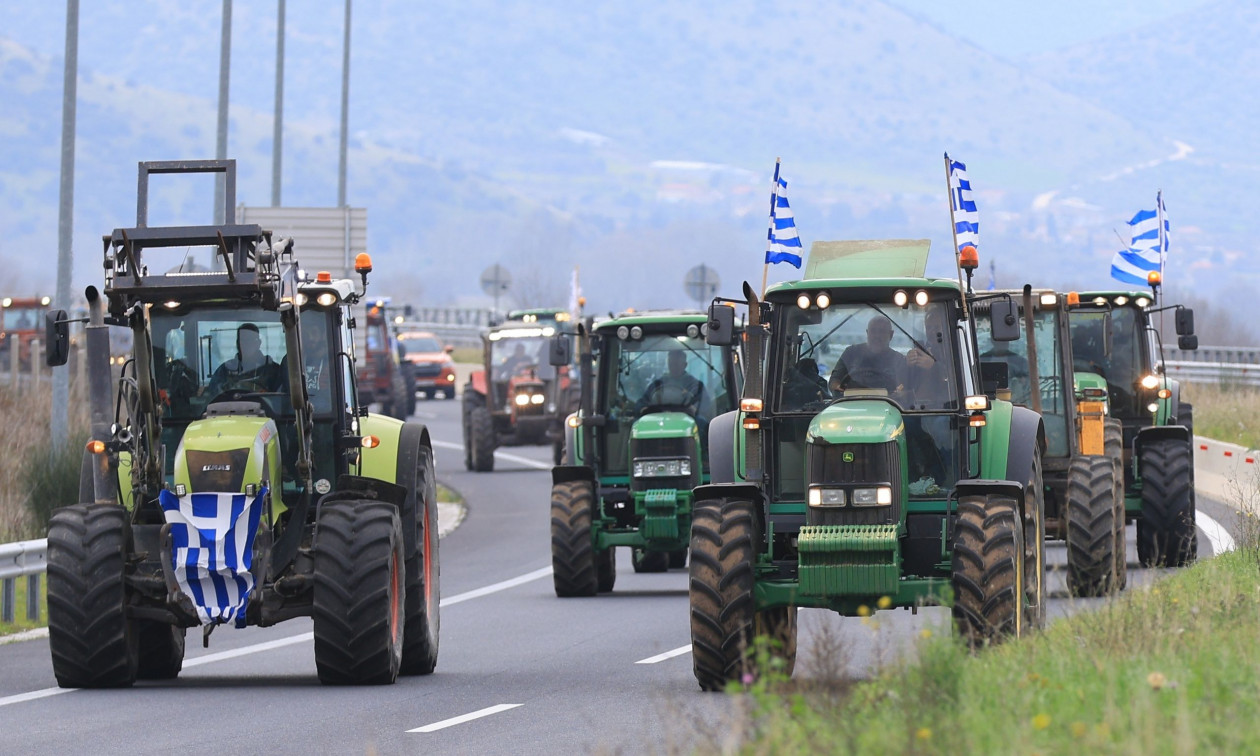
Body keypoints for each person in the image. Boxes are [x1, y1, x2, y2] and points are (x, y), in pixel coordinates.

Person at [829, 316, 906, 394]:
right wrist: (838, 387)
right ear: (867, 333)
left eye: (882, 331)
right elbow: (834, 380)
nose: (877, 336)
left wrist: (900, 392)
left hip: (888, 403)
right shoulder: (851, 353)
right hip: (852, 402)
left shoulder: (899, 360)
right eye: (873, 331)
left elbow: (905, 387)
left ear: (891, 334)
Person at [207, 323, 284, 397]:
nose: (246, 344)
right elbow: (212, 397)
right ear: (237, 343)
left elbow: (281, 401)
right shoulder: (224, 371)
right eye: (243, 340)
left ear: (258, 343)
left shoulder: (274, 371)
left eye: (250, 340)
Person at [906, 308, 953, 407]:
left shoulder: (954, 350)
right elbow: (907, 383)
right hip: (915, 406)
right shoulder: (920, 349)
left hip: (945, 406)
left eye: (936, 328)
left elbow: (956, 379)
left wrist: (934, 366)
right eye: (929, 328)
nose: (932, 332)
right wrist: (908, 365)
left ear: (945, 327)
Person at [636, 349, 705, 417]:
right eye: (670, 364)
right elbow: (642, 401)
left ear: (685, 365)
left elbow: (704, 405)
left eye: (676, 364)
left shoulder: (696, 385)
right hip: (658, 417)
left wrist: (694, 408)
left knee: (702, 423)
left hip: (686, 418)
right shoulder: (658, 383)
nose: (673, 367)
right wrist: (643, 408)